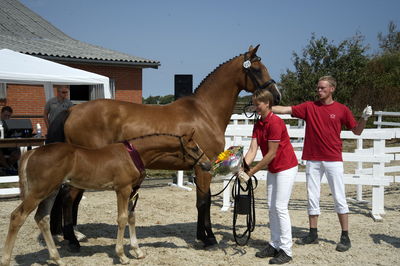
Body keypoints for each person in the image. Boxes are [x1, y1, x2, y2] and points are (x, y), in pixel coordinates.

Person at [272, 76, 373, 252]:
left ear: (332, 89)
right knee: (312, 196)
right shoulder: (309, 107)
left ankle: (345, 236)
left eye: (322, 88)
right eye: (318, 88)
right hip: (312, 158)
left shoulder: (342, 110)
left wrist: (364, 118)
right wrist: (264, 107)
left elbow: (357, 131)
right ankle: (313, 233)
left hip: (333, 159)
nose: (319, 91)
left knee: (339, 197)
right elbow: (285, 109)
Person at [243, 89, 298, 264]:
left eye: (257, 104)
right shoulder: (258, 124)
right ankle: (274, 244)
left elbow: (271, 153)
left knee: (280, 207)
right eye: (254, 103)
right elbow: (253, 150)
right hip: (274, 168)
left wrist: (251, 172)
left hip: (286, 167)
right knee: (270, 206)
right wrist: (242, 168)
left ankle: (286, 250)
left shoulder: (275, 123)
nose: (255, 107)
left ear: (267, 103)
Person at [0, 106, 21, 175]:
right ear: (1, 114)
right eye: (5, 115)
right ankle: (8, 169)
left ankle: (6, 168)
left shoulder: (12, 124)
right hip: (1, 147)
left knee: (18, 151)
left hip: (9, 146)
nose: (7, 117)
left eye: (9, 116)